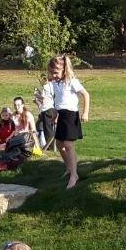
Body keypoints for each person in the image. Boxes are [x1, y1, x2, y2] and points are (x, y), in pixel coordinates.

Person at [41, 56, 90, 190]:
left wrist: (85, 112)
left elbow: (86, 94)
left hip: (70, 115)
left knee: (68, 144)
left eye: (56, 72)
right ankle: (68, 167)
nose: (53, 75)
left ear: (64, 70)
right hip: (62, 115)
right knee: (59, 143)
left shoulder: (71, 82)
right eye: (52, 73)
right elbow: (59, 101)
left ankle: (74, 175)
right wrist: (56, 114)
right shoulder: (56, 83)